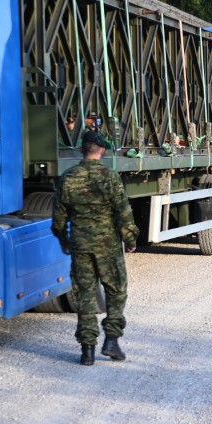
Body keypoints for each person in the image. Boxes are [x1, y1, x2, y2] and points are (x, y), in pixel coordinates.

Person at [52, 131, 139, 366]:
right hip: (108, 246)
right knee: (116, 291)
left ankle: (87, 350)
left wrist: (64, 240)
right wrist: (130, 239)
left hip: (81, 245)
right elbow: (123, 211)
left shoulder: (68, 177)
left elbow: (58, 218)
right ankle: (111, 340)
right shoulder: (110, 177)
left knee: (85, 295)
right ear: (101, 151)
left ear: (82, 150)